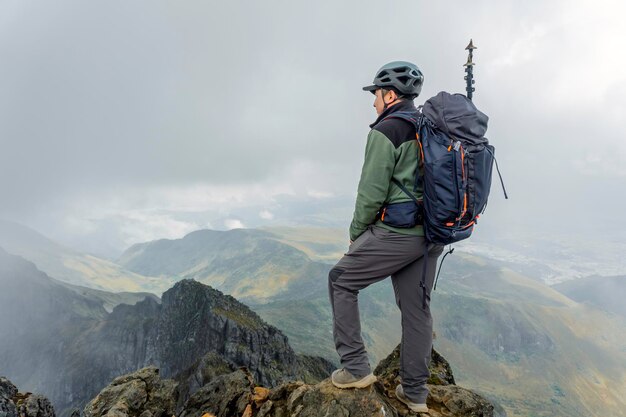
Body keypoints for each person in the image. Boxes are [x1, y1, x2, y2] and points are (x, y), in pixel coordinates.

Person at [328, 61, 444, 414]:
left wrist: (356, 236)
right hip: (434, 234)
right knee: (416, 310)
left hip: (398, 233)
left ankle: (356, 368)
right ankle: (415, 393)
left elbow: (371, 192)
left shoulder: (387, 130)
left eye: (376, 95)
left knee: (340, 281)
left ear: (390, 94)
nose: (373, 103)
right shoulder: (431, 126)